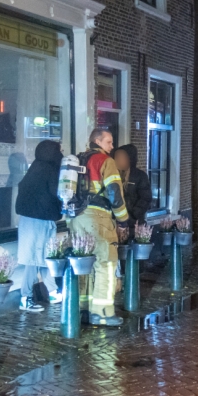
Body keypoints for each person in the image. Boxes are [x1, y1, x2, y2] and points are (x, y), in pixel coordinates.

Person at [68, 129, 129, 326]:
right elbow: (114, 193)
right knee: (106, 264)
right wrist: (123, 220)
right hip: (98, 218)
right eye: (109, 142)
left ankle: (83, 308)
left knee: (83, 264)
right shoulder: (105, 161)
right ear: (97, 141)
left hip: (76, 218)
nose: (112, 146)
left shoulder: (78, 160)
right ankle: (102, 313)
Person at [15, 140, 64, 312]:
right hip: (40, 219)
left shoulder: (35, 168)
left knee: (43, 256)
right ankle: (25, 297)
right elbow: (56, 193)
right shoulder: (50, 170)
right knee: (35, 258)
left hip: (29, 219)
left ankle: (53, 292)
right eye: (59, 151)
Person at [114, 144, 152, 226]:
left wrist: (133, 215)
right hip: (116, 221)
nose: (117, 160)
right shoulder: (112, 175)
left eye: (121, 158)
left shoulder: (140, 176)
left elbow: (145, 198)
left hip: (133, 222)